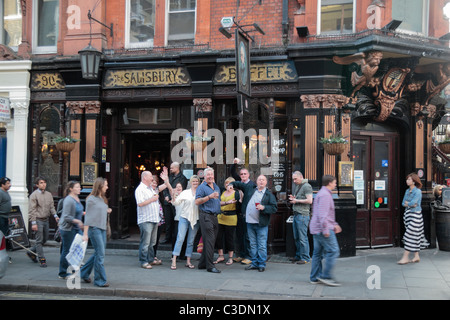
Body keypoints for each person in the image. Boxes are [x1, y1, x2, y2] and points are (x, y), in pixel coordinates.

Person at [231, 175, 278, 272]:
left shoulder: (269, 195)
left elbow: (274, 208)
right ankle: (254, 263)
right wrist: (231, 184)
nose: (261, 181)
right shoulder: (250, 188)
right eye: (259, 179)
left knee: (261, 245)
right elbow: (239, 184)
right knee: (252, 244)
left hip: (261, 224)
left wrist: (264, 208)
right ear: (256, 181)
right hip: (249, 222)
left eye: (263, 180)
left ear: (266, 183)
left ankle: (261, 264)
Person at [309, 175, 342, 287]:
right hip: (322, 229)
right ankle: (325, 276)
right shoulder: (325, 195)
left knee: (317, 254)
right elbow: (323, 215)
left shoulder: (322, 194)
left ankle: (314, 277)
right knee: (333, 251)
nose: (335, 184)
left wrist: (335, 224)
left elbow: (324, 214)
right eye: (334, 182)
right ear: (329, 183)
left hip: (317, 228)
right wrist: (326, 230)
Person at [163, 173, 200, 270]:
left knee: (191, 241)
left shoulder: (200, 192)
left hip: (195, 219)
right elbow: (176, 203)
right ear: (190, 182)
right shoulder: (185, 192)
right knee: (180, 238)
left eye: (197, 181)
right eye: (193, 181)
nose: (195, 183)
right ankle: (174, 259)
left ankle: (188, 261)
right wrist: (174, 197)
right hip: (184, 217)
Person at [80, 178, 112, 287]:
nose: (107, 187)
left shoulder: (102, 198)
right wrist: (85, 234)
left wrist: (107, 210)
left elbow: (100, 210)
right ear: (100, 186)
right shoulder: (91, 199)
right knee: (100, 255)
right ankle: (100, 280)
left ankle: (83, 273)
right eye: (106, 185)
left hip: (102, 229)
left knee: (98, 253)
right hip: (94, 229)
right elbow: (88, 217)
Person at [397, 173, 429, 265]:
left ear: (414, 181)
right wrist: (410, 203)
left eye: (409, 179)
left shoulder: (417, 191)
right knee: (415, 236)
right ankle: (416, 256)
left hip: (415, 215)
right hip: (407, 215)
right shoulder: (407, 191)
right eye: (407, 179)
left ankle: (405, 257)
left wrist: (409, 203)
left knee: (409, 235)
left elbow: (413, 203)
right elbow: (404, 203)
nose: (407, 181)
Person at [27, 177, 59, 267]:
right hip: (38, 220)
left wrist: (56, 216)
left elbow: (52, 207)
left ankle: (31, 251)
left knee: (44, 239)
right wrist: (33, 223)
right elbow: (32, 210)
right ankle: (42, 259)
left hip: (46, 219)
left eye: (44, 182)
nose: (43, 184)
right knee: (39, 241)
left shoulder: (49, 194)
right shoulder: (34, 195)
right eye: (41, 183)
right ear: (37, 185)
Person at [195, 167, 221, 273]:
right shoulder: (201, 187)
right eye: (208, 175)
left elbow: (217, 202)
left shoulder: (216, 187)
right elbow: (197, 201)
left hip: (215, 217)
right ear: (204, 177)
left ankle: (202, 263)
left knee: (210, 241)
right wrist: (209, 197)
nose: (210, 176)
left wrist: (228, 203)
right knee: (210, 241)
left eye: (211, 174)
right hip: (205, 216)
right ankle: (210, 266)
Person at [230, 158, 255, 265]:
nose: (243, 176)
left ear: (248, 175)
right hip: (239, 213)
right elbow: (232, 173)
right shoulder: (239, 181)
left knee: (247, 236)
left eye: (245, 174)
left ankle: (249, 256)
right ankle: (241, 255)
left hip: (248, 214)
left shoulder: (252, 185)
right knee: (239, 235)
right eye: (241, 174)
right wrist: (234, 163)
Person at [135, 171, 161, 269]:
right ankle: (143, 261)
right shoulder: (140, 189)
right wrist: (152, 199)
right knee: (145, 242)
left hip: (154, 218)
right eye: (150, 177)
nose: (152, 179)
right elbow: (140, 203)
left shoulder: (150, 188)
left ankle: (150, 259)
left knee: (152, 242)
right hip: (146, 219)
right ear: (145, 177)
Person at [58, 181, 84, 279]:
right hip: (68, 229)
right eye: (77, 187)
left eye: (79, 187)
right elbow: (67, 217)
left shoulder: (76, 198)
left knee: (78, 250)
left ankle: (74, 268)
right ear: (71, 189)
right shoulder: (69, 200)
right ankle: (62, 272)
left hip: (76, 228)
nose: (79, 188)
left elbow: (77, 211)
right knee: (67, 250)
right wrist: (78, 221)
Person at [214, 177, 241, 265]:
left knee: (229, 238)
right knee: (218, 237)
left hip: (231, 217)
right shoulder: (222, 192)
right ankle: (221, 255)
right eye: (226, 183)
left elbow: (239, 204)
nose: (228, 185)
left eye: (230, 183)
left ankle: (230, 257)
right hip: (220, 216)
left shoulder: (236, 193)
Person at [289, 171, 313, 264]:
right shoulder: (299, 186)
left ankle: (305, 258)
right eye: (293, 179)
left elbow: (310, 200)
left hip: (302, 215)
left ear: (301, 177)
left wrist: (296, 200)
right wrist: (294, 197)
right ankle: (299, 256)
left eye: (295, 179)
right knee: (297, 237)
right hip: (297, 214)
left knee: (302, 238)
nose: (294, 181)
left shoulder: (306, 186)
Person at [161, 162, 188, 244]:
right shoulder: (169, 177)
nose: (171, 169)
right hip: (167, 203)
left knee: (176, 221)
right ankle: (167, 238)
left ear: (177, 168)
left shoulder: (182, 178)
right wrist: (166, 196)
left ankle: (175, 238)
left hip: (176, 203)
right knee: (168, 221)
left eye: (172, 168)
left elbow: (180, 190)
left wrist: (171, 198)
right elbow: (165, 187)